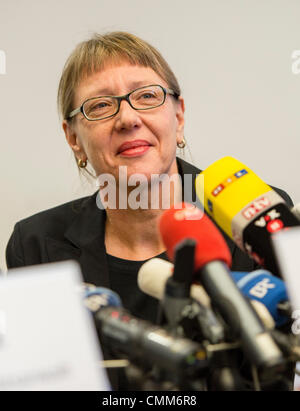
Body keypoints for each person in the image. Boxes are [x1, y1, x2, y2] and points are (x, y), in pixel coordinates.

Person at [5, 31, 294, 390]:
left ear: (179, 115)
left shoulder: (257, 219)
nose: (127, 118)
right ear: (74, 139)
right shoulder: (35, 245)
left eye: (146, 96)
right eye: (100, 105)